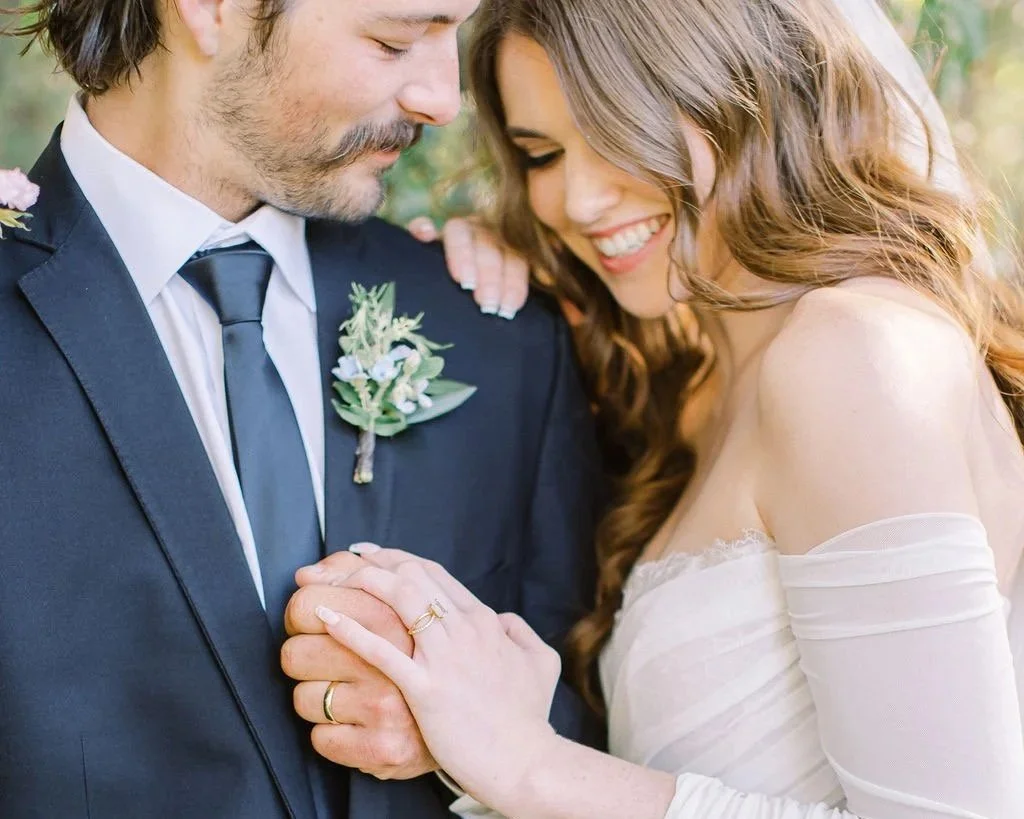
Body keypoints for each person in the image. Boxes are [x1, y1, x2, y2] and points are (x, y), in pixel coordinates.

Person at [308, 0, 1024, 816]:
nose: (576, 200)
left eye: (615, 134)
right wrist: (469, 287)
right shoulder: (698, 381)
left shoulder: (854, 353)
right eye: (543, 155)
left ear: (740, 87)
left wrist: (523, 761)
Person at [0, 0, 601, 816]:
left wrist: (477, 745)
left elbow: (585, 709)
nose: (444, 99)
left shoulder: (498, 330)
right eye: (396, 38)